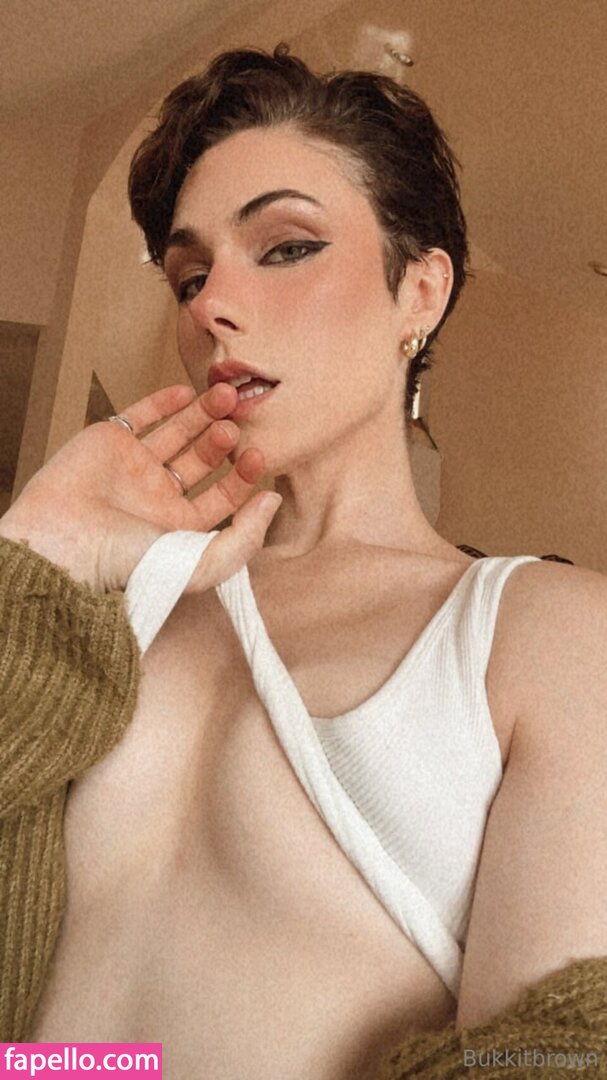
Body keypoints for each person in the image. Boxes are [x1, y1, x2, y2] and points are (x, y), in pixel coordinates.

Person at [1, 45, 605, 1080]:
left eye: (284, 247)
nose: (210, 305)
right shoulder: (107, 617)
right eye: (190, 275)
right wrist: (31, 559)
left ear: (419, 293)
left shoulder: (544, 633)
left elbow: (555, 1055)